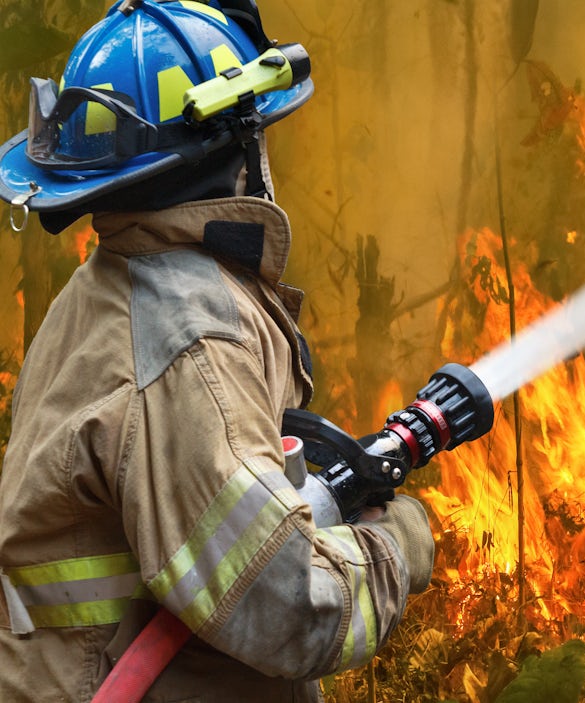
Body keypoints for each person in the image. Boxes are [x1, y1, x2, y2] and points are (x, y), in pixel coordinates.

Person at [0, 1, 435, 700]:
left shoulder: (107, 289)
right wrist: (401, 543)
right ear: (235, 148)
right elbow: (289, 603)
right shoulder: (190, 338)